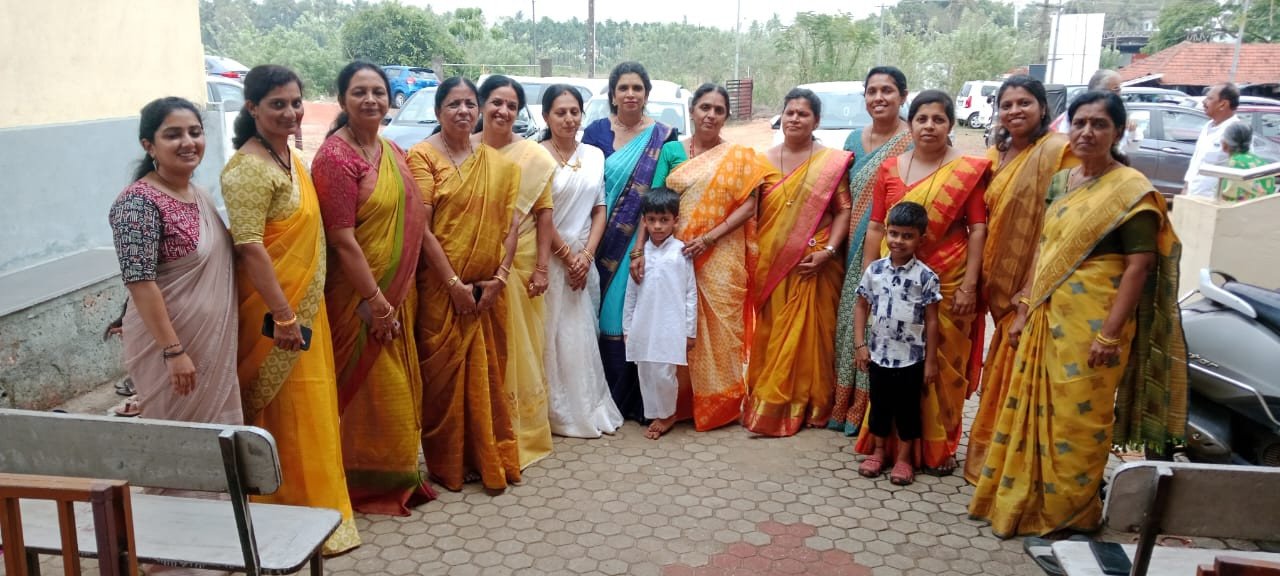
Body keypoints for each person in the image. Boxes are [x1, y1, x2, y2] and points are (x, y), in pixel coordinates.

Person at [969, 91, 1187, 538]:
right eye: (1080, 123)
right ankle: (1023, 502)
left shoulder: (1131, 192)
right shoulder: (1060, 183)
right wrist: (1023, 308)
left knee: (1079, 420)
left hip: (1094, 324)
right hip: (1046, 317)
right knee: (1032, 410)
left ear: (1118, 132)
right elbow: (1044, 249)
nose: (1087, 132)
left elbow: (1139, 267)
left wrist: (1109, 334)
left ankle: (1069, 514)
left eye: (1099, 124)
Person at [222, 65, 359, 554]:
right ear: (252, 108)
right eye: (277, 104)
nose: (290, 112)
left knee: (313, 409)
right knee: (286, 414)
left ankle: (320, 514)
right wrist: (283, 315)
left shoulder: (291, 158)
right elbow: (250, 247)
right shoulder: (247, 169)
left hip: (305, 310)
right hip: (274, 318)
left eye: (296, 102)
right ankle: (283, 520)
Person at [311, 61, 435, 514]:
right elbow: (342, 239)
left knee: (397, 387)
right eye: (359, 92)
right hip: (359, 298)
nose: (371, 100)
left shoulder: (391, 150)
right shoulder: (334, 158)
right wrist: (375, 301)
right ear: (342, 99)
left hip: (397, 293)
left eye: (378, 92)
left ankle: (398, 474)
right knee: (371, 389)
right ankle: (362, 482)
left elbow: (415, 220)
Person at [854, 90, 989, 475]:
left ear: (951, 124)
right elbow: (876, 226)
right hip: (891, 280)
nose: (929, 126)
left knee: (940, 368)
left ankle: (936, 449)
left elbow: (978, 229)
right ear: (910, 124)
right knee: (887, 380)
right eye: (922, 119)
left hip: (947, 280)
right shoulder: (890, 168)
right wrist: (869, 275)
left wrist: (969, 285)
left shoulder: (966, 171)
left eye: (938, 119)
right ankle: (885, 448)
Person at [406, 77, 522, 492]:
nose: (463, 111)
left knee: (488, 377)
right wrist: (454, 284)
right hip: (442, 292)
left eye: (470, 104)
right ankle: (449, 464)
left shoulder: (497, 164)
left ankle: (487, 455)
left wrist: (500, 278)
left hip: (489, 292)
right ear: (438, 110)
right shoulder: (422, 156)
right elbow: (421, 228)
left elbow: (511, 225)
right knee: (443, 382)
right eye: (454, 104)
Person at [963, 76, 1079, 485]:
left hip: (1036, 283)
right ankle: (996, 457)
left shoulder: (1058, 151)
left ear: (1043, 108)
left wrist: (1031, 290)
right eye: (1007, 104)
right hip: (996, 280)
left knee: (1021, 370)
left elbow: (1060, 223)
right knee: (1002, 368)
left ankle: (1018, 466)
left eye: (1024, 102)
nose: (1014, 110)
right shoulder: (995, 154)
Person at [639, 83, 767, 432]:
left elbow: (749, 205)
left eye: (718, 110)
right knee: (676, 326)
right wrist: (640, 250)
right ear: (692, 110)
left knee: (722, 328)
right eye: (704, 108)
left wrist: (709, 238)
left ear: (727, 116)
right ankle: (677, 405)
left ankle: (722, 404)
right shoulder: (672, 150)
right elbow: (653, 202)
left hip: (722, 254)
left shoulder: (740, 156)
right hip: (677, 255)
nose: (710, 115)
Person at [108, 97, 241, 426]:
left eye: (195, 132)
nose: (188, 142)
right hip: (170, 346)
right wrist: (173, 351)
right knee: (180, 437)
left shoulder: (200, 194)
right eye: (173, 135)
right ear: (149, 145)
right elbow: (140, 282)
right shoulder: (138, 203)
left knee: (221, 436)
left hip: (213, 341)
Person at [744, 88, 853, 437]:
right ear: (782, 116)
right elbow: (752, 213)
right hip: (771, 263)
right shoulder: (761, 161)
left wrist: (829, 251)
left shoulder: (831, 162)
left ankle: (810, 404)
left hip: (815, 263)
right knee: (773, 330)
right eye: (790, 112)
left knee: (811, 336)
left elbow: (844, 210)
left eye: (803, 114)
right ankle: (768, 399)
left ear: (816, 121)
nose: (795, 119)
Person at [581, 62, 679, 421]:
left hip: (639, 242)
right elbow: (586, 187)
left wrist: (640, 248)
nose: (630, 94)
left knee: (626, 316)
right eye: (623, 88)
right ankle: (600, 398)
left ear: (647, 94)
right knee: (597, 315)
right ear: (612, 94)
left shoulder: (663, 136)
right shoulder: (595, 132)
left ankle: (635, 402)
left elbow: (663, 196)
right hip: (596, 239)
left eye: (637, 88)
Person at [476, 75, 556, 469]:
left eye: (511, 105)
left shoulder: (533, 157)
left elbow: (544, 215)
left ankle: (520, 434)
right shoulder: (464, 149)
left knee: (518, 348)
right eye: (496, 102)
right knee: (478, 350)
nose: (503, 111)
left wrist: (541, 268)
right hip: (470, 265)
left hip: (520, 264)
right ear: (481, 105)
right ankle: (479, 434)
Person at [831, 66, 915, 435]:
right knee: (850, 322)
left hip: (893, 249)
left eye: (887, 90)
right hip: (852, 245)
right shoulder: (852, 139)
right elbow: (840, 193)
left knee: (881, 325)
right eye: (872, 91)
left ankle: (869, 414)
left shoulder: (913, 140)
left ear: (903, 96)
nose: (879, 97)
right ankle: (842, 405)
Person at [538, 84, 624, 438]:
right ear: (546, 116)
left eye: (574, 112)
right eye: (560, 112)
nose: (569, 119)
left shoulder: (594, 155)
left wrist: (586, 256)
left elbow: (600, 208)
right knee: (550, 333)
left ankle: (584, 404)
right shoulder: (535, 154)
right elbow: (538, 212)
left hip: (583, 260)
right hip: (547, 257)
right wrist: (566, 256)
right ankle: (550, 409)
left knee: (579, 335)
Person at [853, 202, 941, 486]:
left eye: (907, 236)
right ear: (886, 233)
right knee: (879, 405)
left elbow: (932, 321)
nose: (898, 241)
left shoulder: (926, 277)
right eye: (893, 233)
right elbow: (861, 306)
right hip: (878, 355)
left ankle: (904, 459)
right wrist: (860, 345)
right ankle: (879, 452)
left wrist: (930, 361)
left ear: (920, 239)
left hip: (911, 358)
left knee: (907, 410)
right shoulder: (874, 271)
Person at [623, 188, 698, 439]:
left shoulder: (682, 252)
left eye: (664, 220)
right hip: (643, 325)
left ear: (675, 221)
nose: (657, 226)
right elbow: (631, 294)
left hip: (671, 326)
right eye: (652, 220)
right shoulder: (640, 255)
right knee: (646, 371)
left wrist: (690, 331)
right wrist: (627, 328)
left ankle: (667, 415)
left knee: (665, 373)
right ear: (644, 221)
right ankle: (655, 412)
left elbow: (690, 293)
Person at [1185, 82, 1243, 199]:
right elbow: (1196, 162)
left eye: (1209, 98)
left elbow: (1241, 170)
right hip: (1193, 196)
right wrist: (1186, 187)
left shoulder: (1237, 132)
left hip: (1215, 201)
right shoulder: (1208, 126)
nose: (1204, 102)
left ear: (1223, 104)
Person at [1217, 119, 1276, 202]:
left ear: (1226, 144)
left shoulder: (1234, 164)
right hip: (1265, 207)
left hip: (1243, 209)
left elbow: (1225, 197)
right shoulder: (1260, 161)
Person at [1053, 69, 1121, 134]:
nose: (1120, 94)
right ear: (1103, 92)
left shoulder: (1116, 115)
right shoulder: (1074, 114)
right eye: (1117, 89)